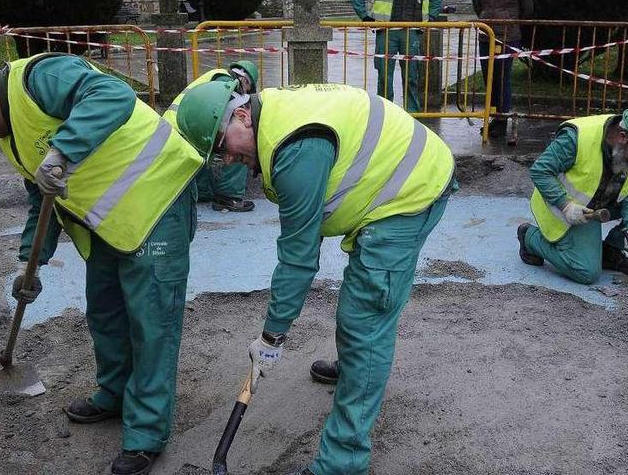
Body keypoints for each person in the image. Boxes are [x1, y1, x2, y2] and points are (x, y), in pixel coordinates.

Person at [0, 52, 203, 475]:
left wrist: (63, 151)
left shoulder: (40, 78)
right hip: (108, 219)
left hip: (160, 196)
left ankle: (146, 435)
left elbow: (112, 94)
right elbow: (41, 198)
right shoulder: (8, 133)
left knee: (151, 323)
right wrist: (31, 262)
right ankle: (115, 392)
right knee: (104, 310)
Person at [176, 81, 457, 475]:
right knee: (358, 312)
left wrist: (272, 336)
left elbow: (299, 258)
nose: (227, 160)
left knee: (366, 320)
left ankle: (343, 461)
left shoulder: (295, 150)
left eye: (223, 146)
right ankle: (356, 370)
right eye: (217, 156)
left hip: (411, 189)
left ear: (242, 116)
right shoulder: (271, 120)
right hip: (393, 173)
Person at [517, 104, 628, 284]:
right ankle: (529, 237)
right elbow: (540, 171)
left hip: (599, 204)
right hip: (567, 208)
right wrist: (565, 204)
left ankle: (610, 251)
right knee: (586, 271)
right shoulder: (576, 139)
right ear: (622, 137)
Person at [164, 60, 259, 212]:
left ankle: (202, 192)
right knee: (236, 142)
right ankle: (230, 197)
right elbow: (223, 125)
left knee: (209, 152)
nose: (245, 95)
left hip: (175, 133)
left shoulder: (215, 76)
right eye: (248, 89)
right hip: (184, 131)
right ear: (245, 80)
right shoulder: (226, 84)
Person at [347, 0, 442, 113]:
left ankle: (412, 113)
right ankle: (384, 113)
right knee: (384, 76)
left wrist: (431, 18)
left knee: (412, 75)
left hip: (412, 31)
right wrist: (365, 16)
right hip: (386, 31)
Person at [476, 0, 533, 136]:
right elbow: (478, 5)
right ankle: (493, 115)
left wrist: (512, 23)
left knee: (502, 78)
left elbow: (527, 8)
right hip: (486, 36)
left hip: (507, 36)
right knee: (489, 78)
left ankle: (502, 119)